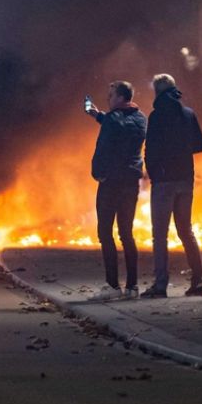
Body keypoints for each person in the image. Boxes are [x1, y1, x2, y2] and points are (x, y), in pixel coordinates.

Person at [142, 74, 202, 298]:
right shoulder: (188, 114)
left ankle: (161, 286)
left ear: (157, 92)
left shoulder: (157, 116)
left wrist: (155, 175)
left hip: (164, 181)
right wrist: (182, 149)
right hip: (185, 180)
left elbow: (149, 150)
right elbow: (201, 145)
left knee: (160, 235)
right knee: (186, 231)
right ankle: (198, 282)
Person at [85, 81, 147, 301]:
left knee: (105, 232)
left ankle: (112, 286)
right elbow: (122, 128)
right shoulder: (141, 119)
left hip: (111, 183)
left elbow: (103, 148)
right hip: (131, 183)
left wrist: (97, 174)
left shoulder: (112, 120)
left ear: (121, 97)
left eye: (111, 96)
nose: (108, 99)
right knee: (126, 233)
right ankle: (132, 287)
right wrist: (98, 115)